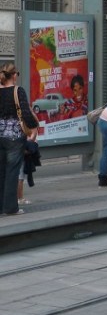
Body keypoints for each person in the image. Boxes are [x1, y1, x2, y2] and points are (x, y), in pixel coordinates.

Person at [0, 63, 39, 215]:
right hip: (14, 137)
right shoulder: (18, 91)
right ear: (14, 75)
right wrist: (34, 128)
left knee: (1, 170)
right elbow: (26, 113)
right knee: (12, 171)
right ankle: (10, 208)